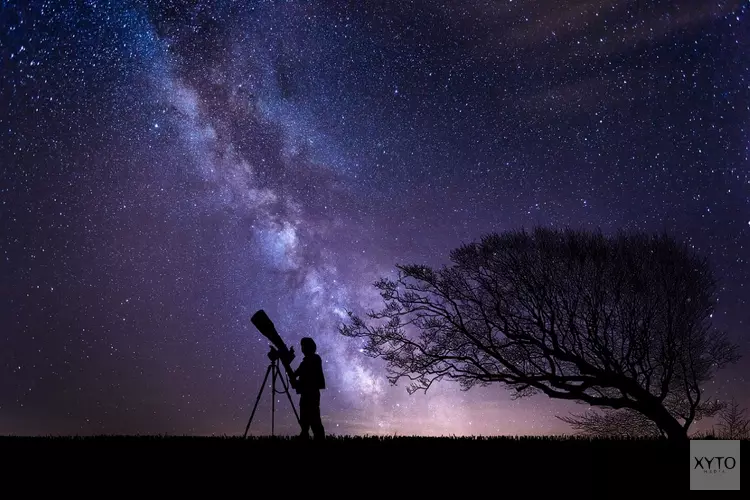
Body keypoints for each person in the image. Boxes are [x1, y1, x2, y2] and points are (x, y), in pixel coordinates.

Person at [293, 337, 326, 440]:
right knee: (304, 418)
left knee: (314, 418)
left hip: (311, 393)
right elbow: (296, 374)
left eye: (304, 346)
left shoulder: (315, 358)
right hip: (306, 393)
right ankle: (304, 434)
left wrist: (298, 381)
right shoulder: (305, 361)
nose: (302, 349)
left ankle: (319, 438)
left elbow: (308, 375)